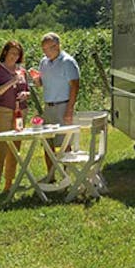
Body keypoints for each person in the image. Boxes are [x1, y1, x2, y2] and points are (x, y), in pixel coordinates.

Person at [32, 32, 80, 180]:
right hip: (48, 106)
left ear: (57, 46)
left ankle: (67, 175)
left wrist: (69, 110)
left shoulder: (67, 62)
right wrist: (36, 80)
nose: (46, 52)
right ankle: (51, 175)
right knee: (47, 143)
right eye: (44, 49)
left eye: (48, 48)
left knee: (65, 143)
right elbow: (41, 83)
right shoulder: (43, 62)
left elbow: (75, 86)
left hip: (63, 105)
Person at [0, 40, 30, 195]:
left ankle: (9, 183)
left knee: (15, 148)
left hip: (20, 112)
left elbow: (27, 90)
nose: (15, 56)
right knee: (2, 147)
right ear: (5, 52)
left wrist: (26, 94)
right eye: (12, 52)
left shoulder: (21, 71)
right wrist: (11, 81)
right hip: (3, 111)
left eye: (17, 53)